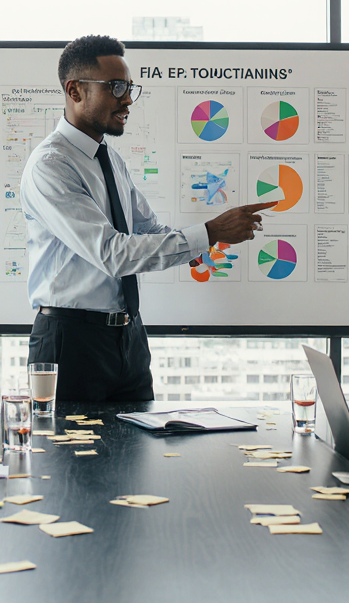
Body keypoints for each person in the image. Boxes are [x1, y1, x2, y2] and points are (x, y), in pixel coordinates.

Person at [20, 34, 276, 401]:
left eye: (129, 88)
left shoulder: (109, 159)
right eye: (116, 87)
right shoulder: (51, 166)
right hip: (71, 342)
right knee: (69, 457)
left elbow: (148, 229)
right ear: (75, 91)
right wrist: (210, 231)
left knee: (139, 455)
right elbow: (113, 253)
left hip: (128, 339)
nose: (127, 99)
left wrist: (210, 239)